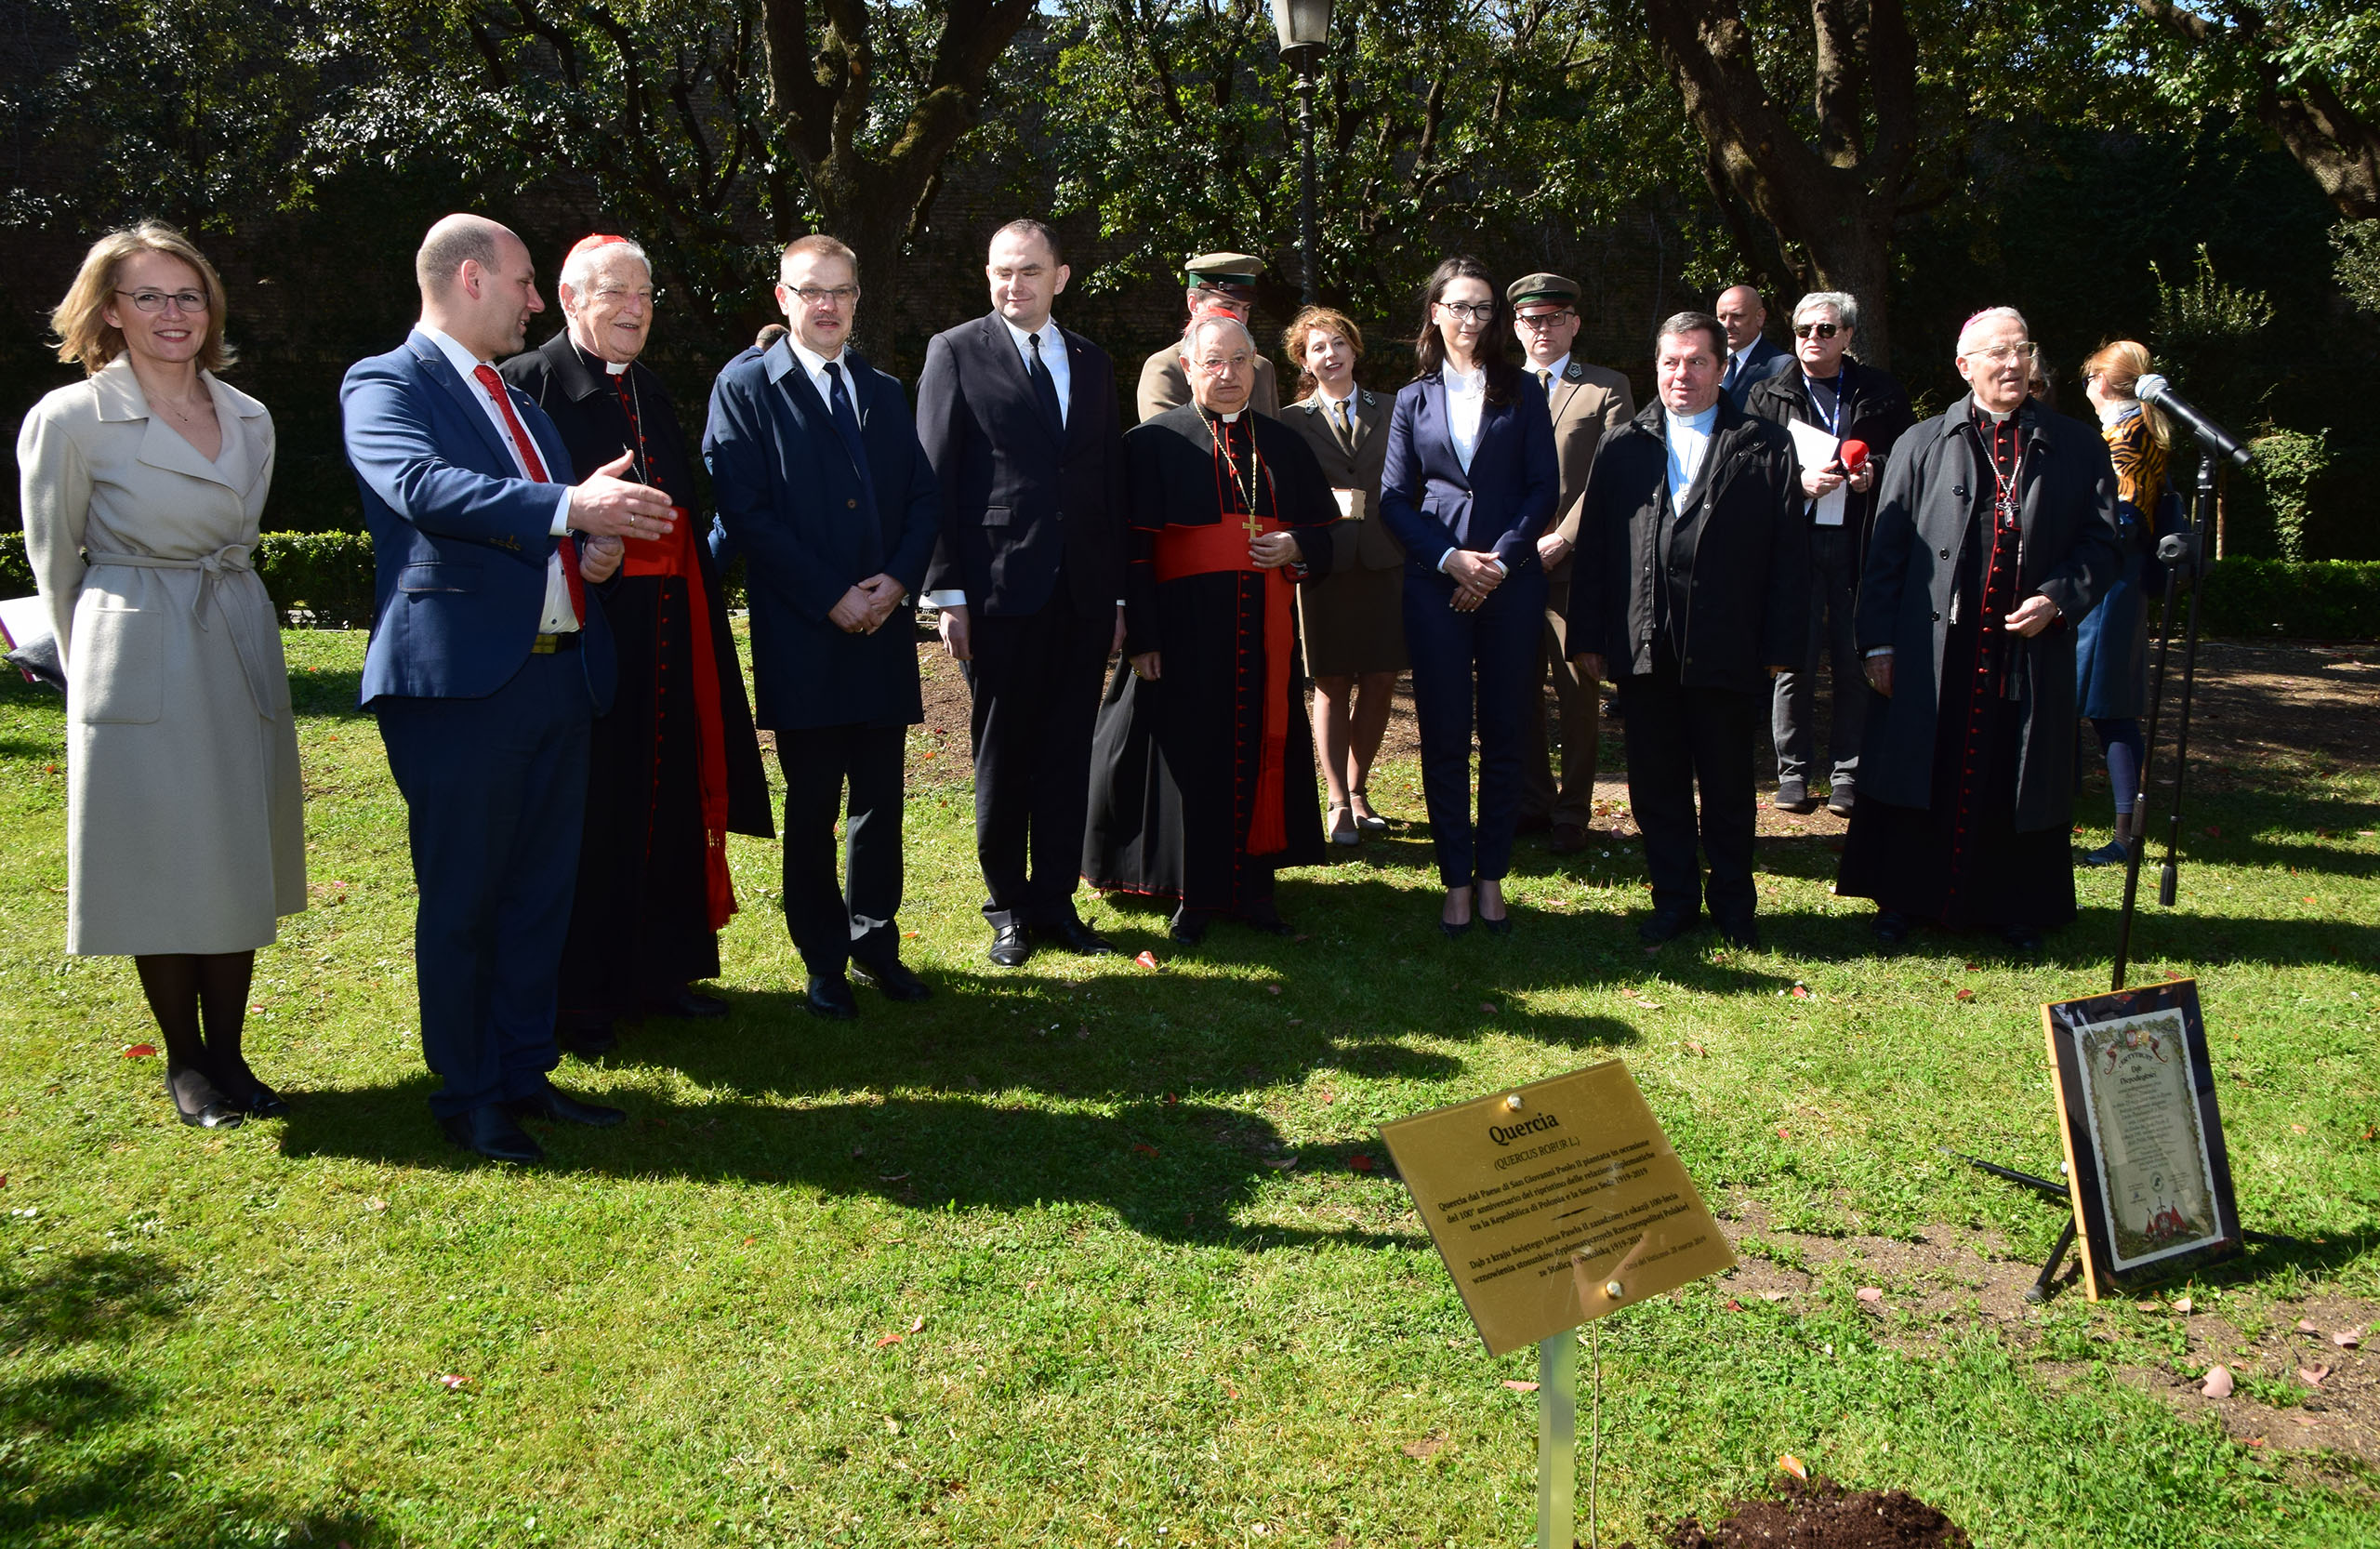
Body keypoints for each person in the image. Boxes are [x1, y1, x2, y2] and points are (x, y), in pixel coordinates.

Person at [344, 213, 670, 1163]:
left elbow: (548, 527)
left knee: (538, 895)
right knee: (466, 901)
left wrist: (593, 549)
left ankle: (526, 1070)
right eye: (527, 282)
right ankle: (469, 1092)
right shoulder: (385, 382)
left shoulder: (518, 403)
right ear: (470, 277)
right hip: (462, 688)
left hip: (558, 676)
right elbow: (421, 486)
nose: (536, 301)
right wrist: (572, 504)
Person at [19, 222, 304, 1131]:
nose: (172, 313)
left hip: (234, 636)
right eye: (148, 296)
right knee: (160, 857)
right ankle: (186, 1061)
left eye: (188, 295)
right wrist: (96, 672)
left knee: (234, 849)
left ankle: (232, 1054)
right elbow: (53, 565)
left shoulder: (250, 415)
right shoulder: (69, 419)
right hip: (136, 648)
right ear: (110, 310)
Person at [499, 233, 773, 1054]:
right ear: (570, 299)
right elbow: (513, 509)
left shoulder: (648, 386)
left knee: (665, 795)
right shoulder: (529, 383)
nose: (635, 308)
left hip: (666, 628)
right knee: (592, 812)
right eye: (615, 292)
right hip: (583, 629)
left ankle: (663, 971)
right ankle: (582, 997)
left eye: (646, 294)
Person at [703, 235, 942, 1017]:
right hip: (804, 633)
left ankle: (876, 943)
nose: (827, 305)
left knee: (880, 803)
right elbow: (745, 510)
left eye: (841, 291)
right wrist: (829, 594)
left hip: (881, 630)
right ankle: (823, 959)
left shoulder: (883, 389)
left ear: (858, 298)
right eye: (811, 291)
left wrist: (898, 581)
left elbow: (923, 499)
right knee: (811, 808)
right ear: (784, 297)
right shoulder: (745, 388)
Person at [1835, 307, 2122, 952]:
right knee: (1919, 766)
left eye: (2022, 349)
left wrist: (2057, 599)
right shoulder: (1921, 442)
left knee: (2015, 772)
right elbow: (1884, 554)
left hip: (2025, 649)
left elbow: (2103, 544)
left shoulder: (2077, 445)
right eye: (1997, 352)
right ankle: (1903, 899)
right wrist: (1877, 644)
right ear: (1964, 366)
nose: (2013, 363)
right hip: (1933, 647)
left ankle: (2016, 905)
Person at [1083, 311, 1340, 945]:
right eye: (1213, 362)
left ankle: (1254, 889)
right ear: (1188, 369)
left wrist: (1296, 545)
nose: (1228, 374)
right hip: (1183, 633)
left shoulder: (1283, 444)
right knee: (1191, 760)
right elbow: (1134, 552)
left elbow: (1325, 535)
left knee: (1258, 747)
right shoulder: (1152, 442)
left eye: (1240, 362)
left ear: (1256, 367)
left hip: (1264, 633)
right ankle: (1193, 894)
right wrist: (1143, 638)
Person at [917, 218, 1127, 969]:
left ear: (1060, 278)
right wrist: (946, 592)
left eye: (1030, 270)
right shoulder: (954, 351)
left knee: (1068, 753)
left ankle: (1055, 901)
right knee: (1004, 757)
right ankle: (1007, 908)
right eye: (1002, 270)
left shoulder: (1093, 362)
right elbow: (933, 476)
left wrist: (1118, 596)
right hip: (997, 592)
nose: (1015, 284)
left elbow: (1108, 482)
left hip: (1082, 592)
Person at [1567, 312, 1806, 947]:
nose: (1683, 374)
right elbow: (1596, 547)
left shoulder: (1764, 444)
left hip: (1728, 643)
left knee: (1728, 783)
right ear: (1655, 367)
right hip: (1645, 642)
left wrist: (1782, 643)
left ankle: (1734, 906)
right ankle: (1673, 900)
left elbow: (1789, 553)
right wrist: (1588, 635)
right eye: (1671, 362)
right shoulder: (1621, 444)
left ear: (1722, 369)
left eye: (1698, 361)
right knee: (1656, 783)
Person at [1379, 258, 1560, 936]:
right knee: (1446, 735)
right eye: (1458, 306)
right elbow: (1394, 500)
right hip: (1435, 586)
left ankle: (1492, 879)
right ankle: (1455, 879)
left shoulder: (1525, 390)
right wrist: (1451, 560)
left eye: (1482, 307)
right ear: (1436, 313)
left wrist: (1498, 563)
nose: (1471, 319)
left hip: (1511, 585)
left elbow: (1544, 487)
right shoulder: (1412, 399)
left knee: (1507, 732)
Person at [1745, 291, 1915, 817]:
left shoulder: (1880, 391)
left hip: (1858, 539)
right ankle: (1792, 774)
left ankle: (1849, 774)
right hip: (1793, 540)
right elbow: (1745, 465)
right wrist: (1795, 483)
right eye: (1803, 330)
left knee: (1852, 658)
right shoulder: (1766, 392)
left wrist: (1874, 472)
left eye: (1825, 329)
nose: (1812, 339)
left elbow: (1910, 456)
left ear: (1848, 336)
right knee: (1792, 660)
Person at [1507, 272, 1636, 853]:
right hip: (1509, 566)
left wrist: (1565, 537)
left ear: (1575, 324)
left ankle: (1572, 811)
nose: (1543, 329)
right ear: (1516, 327)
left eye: (1555, 318)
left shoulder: (1606, 388)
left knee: (1578, 693)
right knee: (1518, 689)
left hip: (1574, 566)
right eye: (1532, 320)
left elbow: (1614, 472)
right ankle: (1532, 800)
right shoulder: (1494, 388)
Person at [1276, 305, 1402, 845]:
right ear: (1303, 361)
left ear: (1354, 349)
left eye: (1338, 344)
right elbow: (1283, 490)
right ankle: (1336, 800)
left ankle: (1358, 788)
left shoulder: (1395, 408)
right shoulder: (1289, 421)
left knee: (1381, 678)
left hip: (1385, 558)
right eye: (1317, 348)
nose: (1330, 355)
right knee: (1331, 681)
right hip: (1324, 563)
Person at [2074, 339, 2173, 867]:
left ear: (2105, 382)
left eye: (2090, 377)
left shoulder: (2126, 433)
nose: (2087, 387)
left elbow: (2124, 514)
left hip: (2108, 582)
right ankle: (2119, 829)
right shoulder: (2138, 426)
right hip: (2119, 581)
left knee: (2108, 710)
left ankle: (2126, 836)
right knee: (2106, 709)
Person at [1136, 253, 1282, 421]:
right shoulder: (1166, 367)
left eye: (1246, 309)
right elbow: (1167, 433)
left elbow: (1273, 433)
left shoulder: (1262, 367)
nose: (1239, 318)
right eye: (1228, 306)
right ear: (1194, 305)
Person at [1715, 284, 1792, 409]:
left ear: (1759, 317)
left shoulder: (1783, 367)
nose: (1727, 325)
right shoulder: (1708, 360)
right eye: (1722, 317)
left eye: (1737, 316)